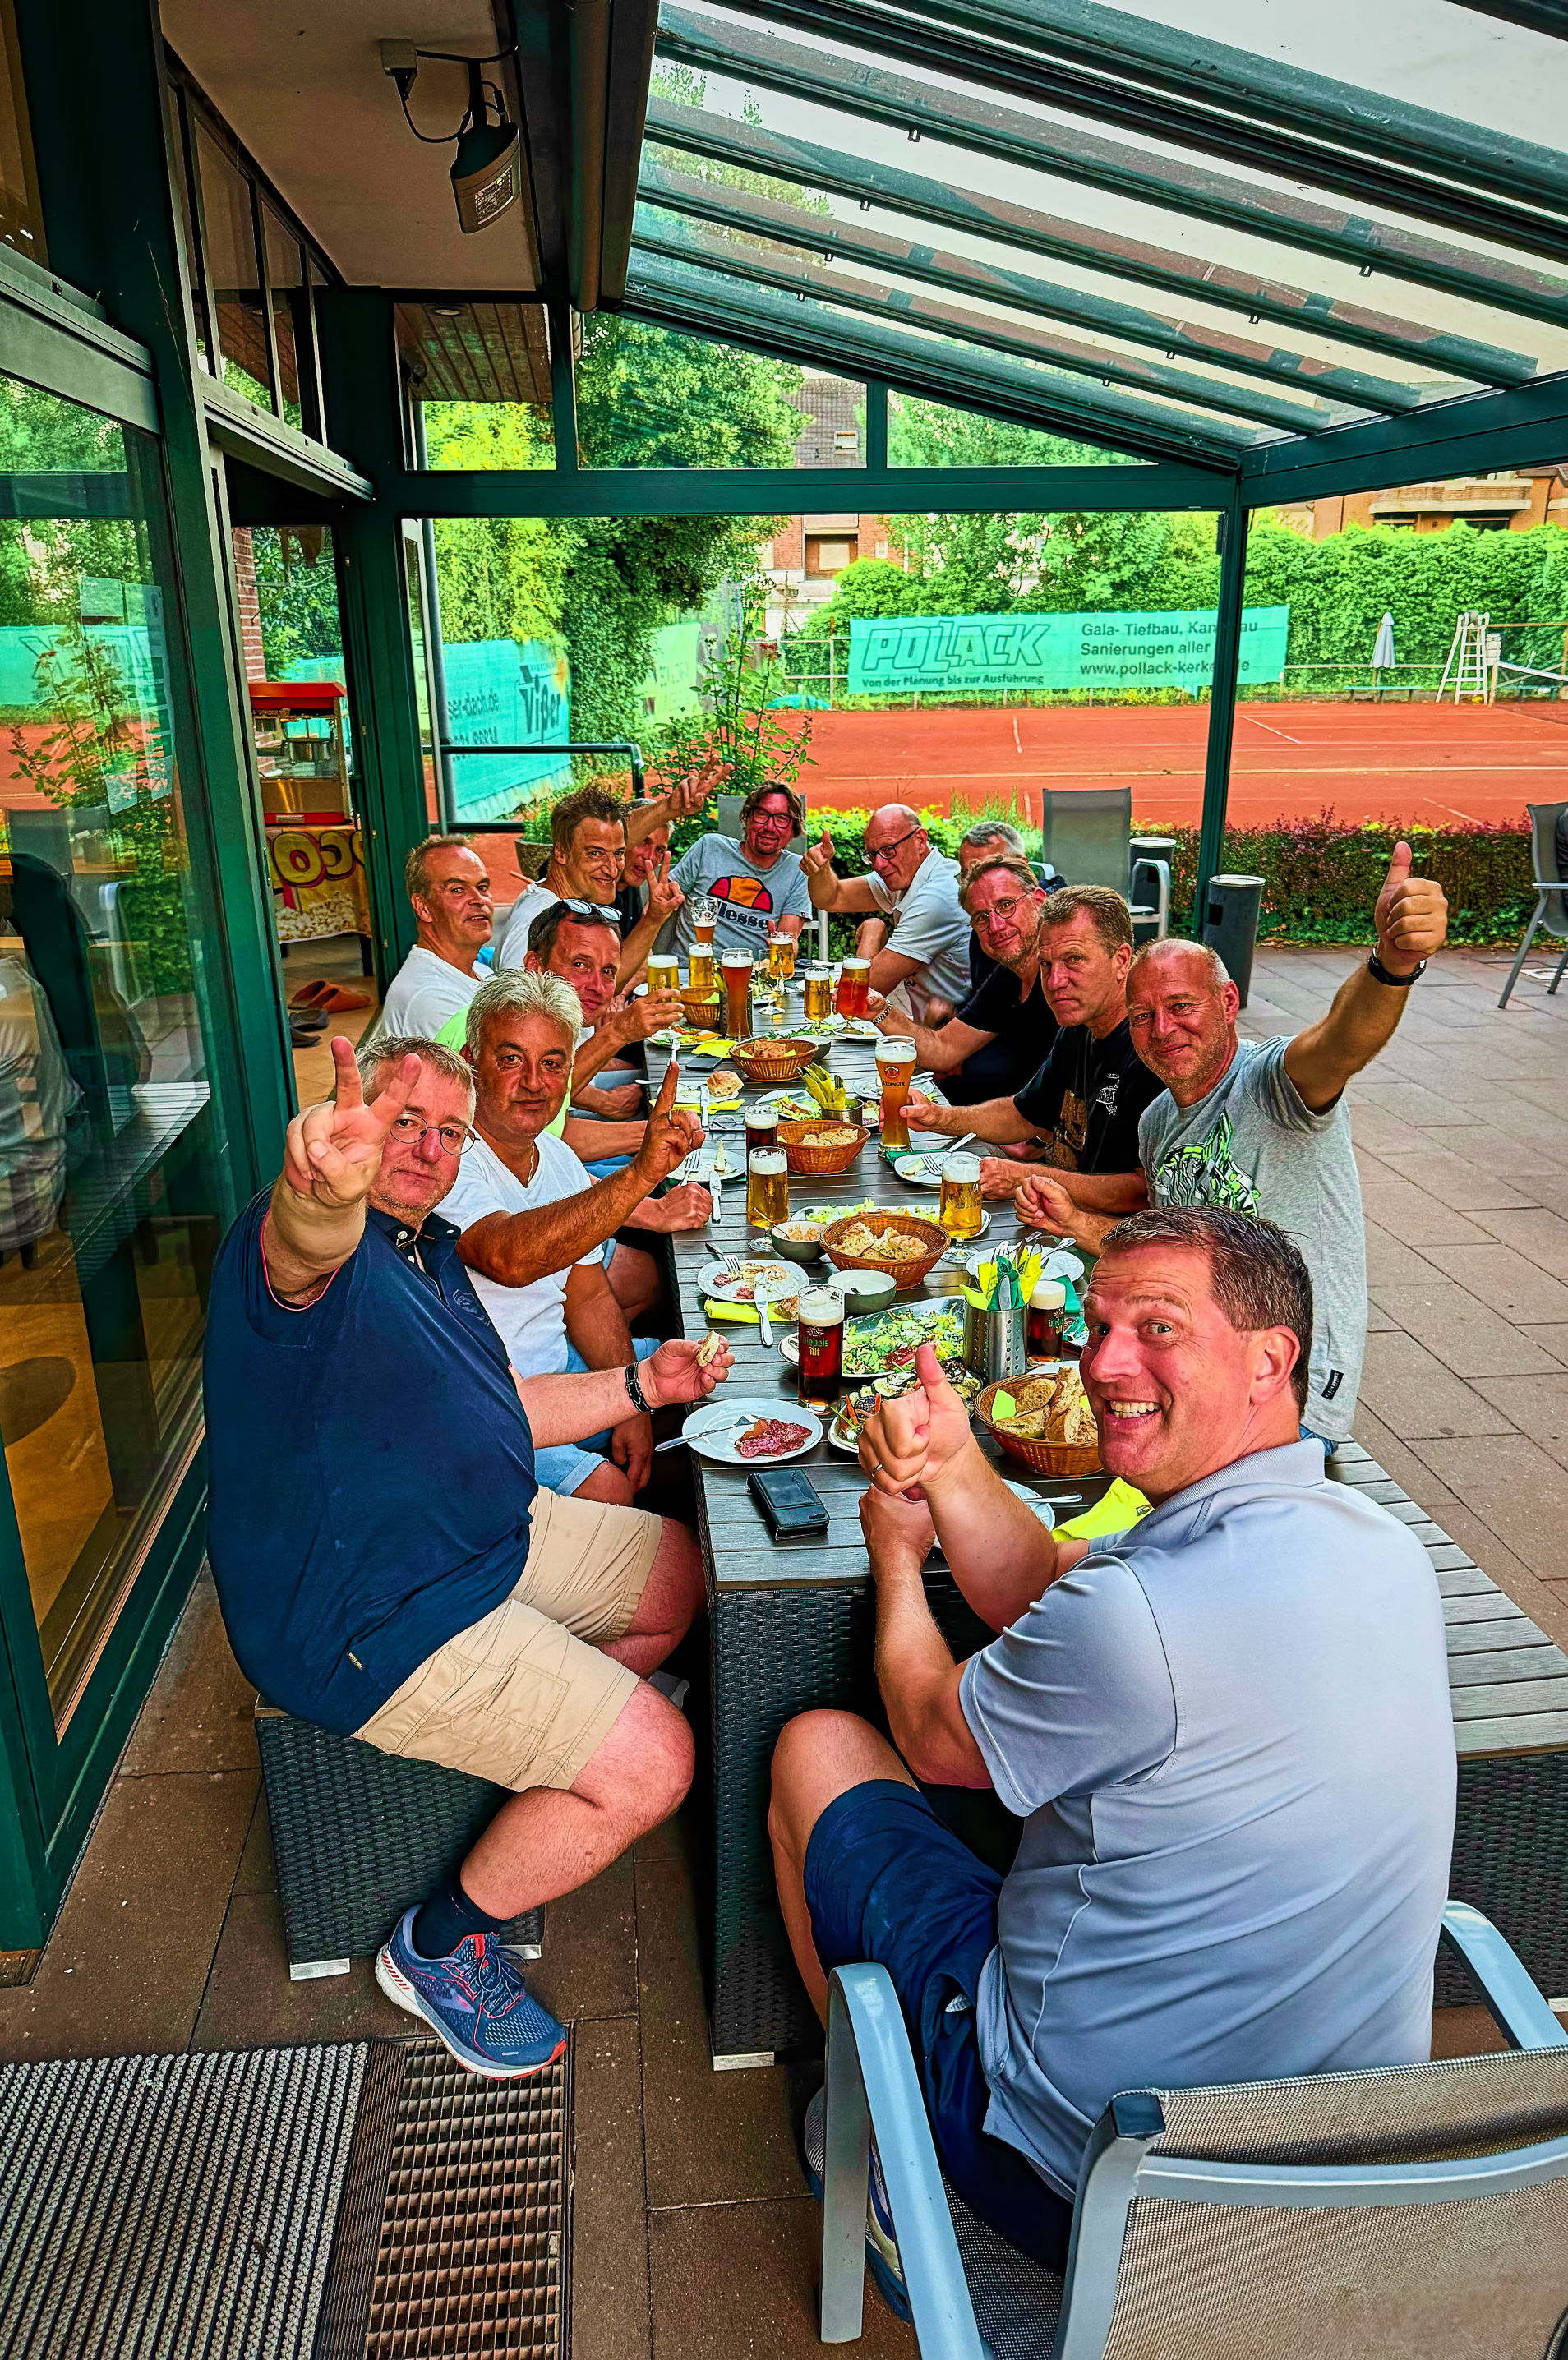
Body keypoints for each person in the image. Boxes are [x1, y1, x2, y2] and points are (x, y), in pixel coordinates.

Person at [768, 1205, 1455, 2302]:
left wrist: (896, 1557)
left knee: (818, 1751)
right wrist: (949, 1464)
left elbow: (932, 1734)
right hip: (1332, 2167)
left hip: (1091, 2174)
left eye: (1160, 1328)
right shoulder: (1375, 1546)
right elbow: (1049, 1577)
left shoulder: (1138, 1619)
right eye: (1096, 1326)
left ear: (1272, 1359)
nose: (1104, 1363)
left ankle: (901, 2171)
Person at [204, 1032, 735, 2079]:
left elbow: (504, 1409)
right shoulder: (310, 1261)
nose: (427, 1147)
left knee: (681, 1567)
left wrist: (645, 1388)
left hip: (484, 1531)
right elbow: (301, 1241)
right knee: (661, 1760)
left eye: (448, 1131)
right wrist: (317, 1193)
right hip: (372, 1614)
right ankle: (440, 1944)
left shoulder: (426, 1247)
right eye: (404, 1122)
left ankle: (545, 1756)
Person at [1017, 840, 1450, 1449]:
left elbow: (1341, 1041)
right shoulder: (1159, 1122)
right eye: (1142, 1016)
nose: (1162, 1029)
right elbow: (1174, 1254)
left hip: (1286, 1398)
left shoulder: (1273, 1083)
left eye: (1182, 1006)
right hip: (1199, 1375)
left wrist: (1390, 967)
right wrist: (1074, 1221)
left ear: (1228, 1003)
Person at [438, 970, 686, 1500]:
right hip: (490, 1405)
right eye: (511, 1060)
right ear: (470, 1061)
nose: (534, 1082)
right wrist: (639, 1176)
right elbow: (509, 1256)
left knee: (701, 1389)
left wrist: (632, 1399)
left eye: (553, 1064)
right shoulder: (447, 1159)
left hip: (563, 1366)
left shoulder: (558, 1158)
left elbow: (589, 1294)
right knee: (616, 1493)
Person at [906, 885, 1162, 1201]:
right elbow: (1022, 1115)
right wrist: (939, 1117)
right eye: (1046, 964)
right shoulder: (1078, 1027)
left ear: (1121, 960)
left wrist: (1027, 1176)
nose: (1054, 982)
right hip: (1055, 1220)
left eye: (1074, 959)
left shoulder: (1155, 1048)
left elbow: (1142, 1193)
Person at [869, 856, 1060, 1109]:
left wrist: (1038, 1137)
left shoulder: (1061, 974)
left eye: (1006, 905)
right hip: (1009, 1124)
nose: (995, 925)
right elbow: (942, 1049)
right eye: (981, 917)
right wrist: (878, 1010)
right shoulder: (1009, 975)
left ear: (1039, 899)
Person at [499, 783, 684, 988]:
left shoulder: (573, 906)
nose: (612, 870)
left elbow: (608, 983)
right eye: (596, 853)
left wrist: (654, 918)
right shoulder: (535, 920)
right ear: (561, 852)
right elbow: (516, 1017)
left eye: (618, 853)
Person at [802, 804, 971, 1019]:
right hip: (931, 1024)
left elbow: (860, 995)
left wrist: (873, 932)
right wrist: (820, 869)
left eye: (888, 850)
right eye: (872, 854)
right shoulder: (911, 873)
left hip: (952, 1040)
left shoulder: (935, 898)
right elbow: (832, 897)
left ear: (920, 840)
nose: (879, 864)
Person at [667, 781, 814, 963]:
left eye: (782, 819)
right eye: (762, 815)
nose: (769, 827)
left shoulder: (798, 870)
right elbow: (660, 906)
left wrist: (784, 948)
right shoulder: (709, 847)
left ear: (793, 830)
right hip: (690, 974)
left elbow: (789, 940)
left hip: (751, 977)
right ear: (747, 818)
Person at [371, 835, 494, 1045]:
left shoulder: (481, 972)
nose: (478, 899)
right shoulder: (429, 996)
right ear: (423, 907)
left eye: (482, 887)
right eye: (457, 890)